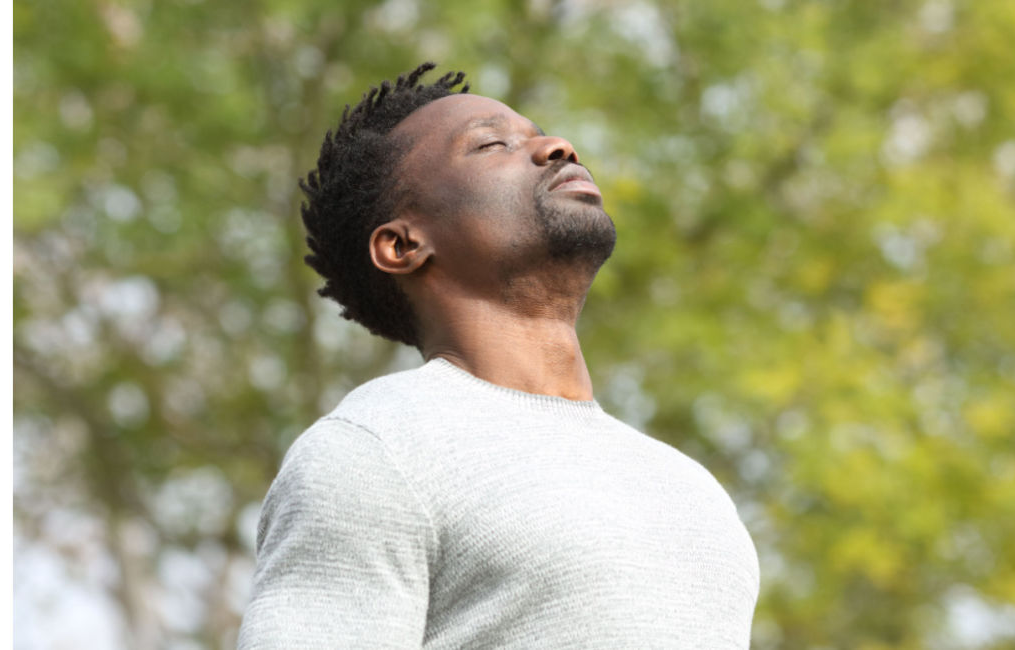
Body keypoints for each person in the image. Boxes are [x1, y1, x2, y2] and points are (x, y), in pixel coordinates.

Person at [237, 62, 760, 649]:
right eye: (491, 145)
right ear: (403, 244)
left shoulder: (688, 486)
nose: (557, 147)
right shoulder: (375, 450)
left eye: (541, 134)